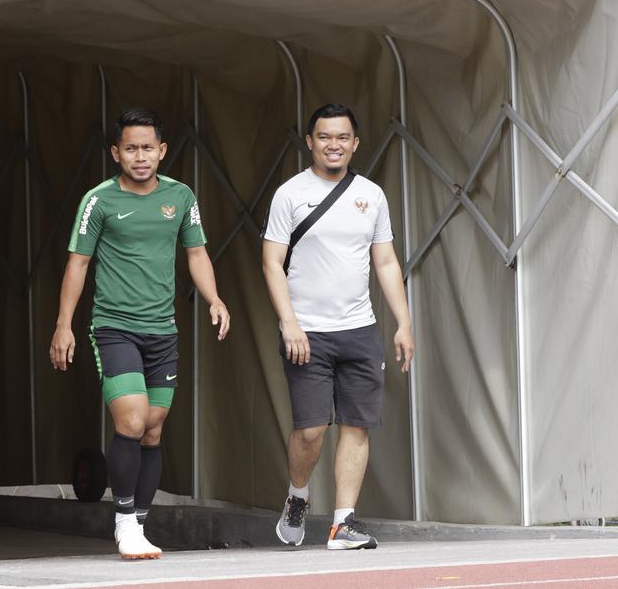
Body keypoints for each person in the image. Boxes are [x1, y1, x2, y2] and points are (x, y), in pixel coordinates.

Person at [51, 107, 231, 560]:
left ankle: (141, 524)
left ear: (162, 150)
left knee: (152, 430)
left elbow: (196, 254)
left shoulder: (181, 196)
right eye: (130, 148)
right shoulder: (99, 200)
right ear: (116, 153)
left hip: (162, 331)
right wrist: (63, 325)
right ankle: (124, 522)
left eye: (148, 147)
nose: (140, 156)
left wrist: (214, 299)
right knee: (130, 421)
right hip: (114, 327)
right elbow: (78, 262)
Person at [261, 103, 414, 550]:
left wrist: (404, 322)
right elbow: (271, 261)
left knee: (355, 426)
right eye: (325, 137)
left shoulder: (371, 195)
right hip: (306, 330)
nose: (334, 145)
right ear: (310, 142)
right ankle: (298, 495)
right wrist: (289, 323)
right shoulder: (290, 194)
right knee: (310, 430)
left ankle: (343, 523)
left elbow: (384, 260)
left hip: (359, 329)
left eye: (342, 137)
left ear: (355, 143)